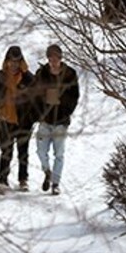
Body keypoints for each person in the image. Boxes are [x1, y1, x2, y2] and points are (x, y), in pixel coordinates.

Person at [31, 44, 79, 196]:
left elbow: (75, 96)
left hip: (61, 121)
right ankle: (47, 172)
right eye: (50, 58)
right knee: (41, 151)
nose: (53, 61)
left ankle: (56, 183)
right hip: (45, 120)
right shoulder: (41, 73)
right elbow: (34, 94)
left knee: (59, 154)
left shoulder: (70, 73)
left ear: (60, 57)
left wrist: (66, 110)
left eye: (56, 58)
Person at [0, 45, 36, 193]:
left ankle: (23, 180)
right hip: (5, 120)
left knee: (23, 152)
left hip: (24, 121)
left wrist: (33, 118)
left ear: (21, 62)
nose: (14, 64)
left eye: (17, 61)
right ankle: (3, 180)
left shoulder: (28, 78)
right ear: (7, 61)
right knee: (6, 151)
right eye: (11, 61)